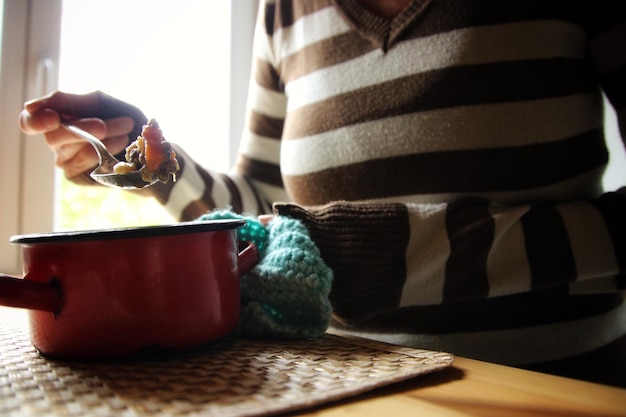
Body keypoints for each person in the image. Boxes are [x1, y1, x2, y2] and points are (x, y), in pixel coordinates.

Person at [19, 0, 626, 387]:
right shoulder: (284, 11)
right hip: (347, 387)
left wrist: (410, 256)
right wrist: (159, 164)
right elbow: (265, 210)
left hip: (560, 384)